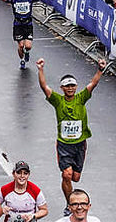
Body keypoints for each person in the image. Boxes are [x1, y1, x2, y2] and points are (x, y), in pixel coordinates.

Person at [37, 58, 105, 211]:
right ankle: (70, 204)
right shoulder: (58, 101)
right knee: (67, 175)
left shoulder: (81, 98)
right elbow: (44, 86)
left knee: (75, 177)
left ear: (76, 87)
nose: (70, 88)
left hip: (80, 144)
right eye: (67, 86)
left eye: (72, 85)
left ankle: (71, 199)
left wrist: (100, 70)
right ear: (62, 88)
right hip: (64, 145)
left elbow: (93, 84)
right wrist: (41, 69)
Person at [0, 0, 35, 70]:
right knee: (21, 45)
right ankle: (22, 60)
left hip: (28, 24)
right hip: (18, 25)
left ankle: (27, 52)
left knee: (28, 46)